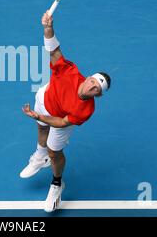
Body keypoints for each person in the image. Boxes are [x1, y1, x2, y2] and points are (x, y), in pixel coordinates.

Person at [21, 11, 111, 212]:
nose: (92, 87)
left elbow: (61, 123)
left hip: (60, 118)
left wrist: (40, 116)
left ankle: (56, 184)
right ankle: (38, 156)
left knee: (55, 152)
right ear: (87, 78)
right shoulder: (70, 71)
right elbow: (54, 51)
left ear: (98, 95)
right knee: (41, 129)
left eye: (96, 89)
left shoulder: (86, 110)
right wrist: (48, 28)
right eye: (92, 82)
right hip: (44, 99)